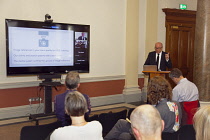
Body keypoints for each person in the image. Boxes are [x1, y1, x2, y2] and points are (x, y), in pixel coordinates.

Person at [104, 76, 181, 140]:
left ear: (152, 92)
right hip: (172, 136)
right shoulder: (177, 104)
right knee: (123, 132)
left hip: (154, 136)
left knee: (122, 127)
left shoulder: (156, 111)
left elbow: (147, 131)